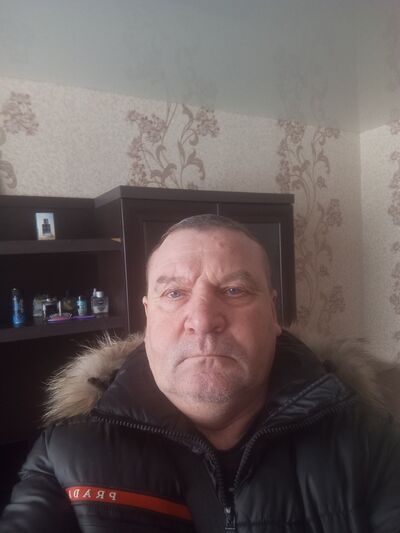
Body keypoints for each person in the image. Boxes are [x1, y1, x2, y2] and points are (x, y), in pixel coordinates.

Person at [1, 214, 400, 533]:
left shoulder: (370, 440)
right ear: (147, 316)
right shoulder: (65, 456)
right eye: (174, 293)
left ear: (273, 313)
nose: (204, 319)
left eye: (234, 290)